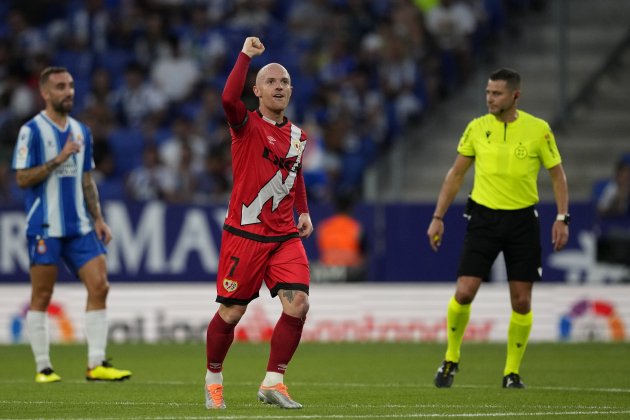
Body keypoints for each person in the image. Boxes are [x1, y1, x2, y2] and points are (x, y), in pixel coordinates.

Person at [426, 68, 569, 389]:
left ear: (515, 95)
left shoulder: (538, 130)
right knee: (464, 291)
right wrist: (438, 216)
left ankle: (511, 373)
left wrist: (562, 218)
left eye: (497, 93)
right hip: (483, 220)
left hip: (522, 221)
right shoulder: (477, 128)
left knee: (521, 300)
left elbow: (558, 175)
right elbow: (456, 174)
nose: (489, 98)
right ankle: (450, 359)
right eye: (488, 92)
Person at [204, 37, 313, 410]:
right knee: (232, 313)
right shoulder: (245, 125)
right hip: (245, 235)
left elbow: (294, 176)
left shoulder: (299, 137)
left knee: (297, 303)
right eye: (271, 81)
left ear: (291, 90)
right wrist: (245, 56)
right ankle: (214, 378)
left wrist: (303, 212)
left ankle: (274, 381)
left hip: (284, 236)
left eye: (284, 82)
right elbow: (227, 100)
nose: (279, 86)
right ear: (257, 90)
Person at [11, 66, 132, 383]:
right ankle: (43, 368)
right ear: (45, 93)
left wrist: (98, 218)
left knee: (100, 286)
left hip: (79, 226)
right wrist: (58, 159)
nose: (68, 92)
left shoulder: (82, 131)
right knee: (42, 295)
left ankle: (96, 364)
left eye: (71, 86)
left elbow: (86, 179)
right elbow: (22, 178)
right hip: (45, 225)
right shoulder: (32, 131)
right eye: (61, 87)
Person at [316, 193, 367, 282]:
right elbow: (364, 254)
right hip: (351, 274)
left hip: (327, 273)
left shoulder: (324, 227)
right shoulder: (356, 227)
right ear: (350, 209)